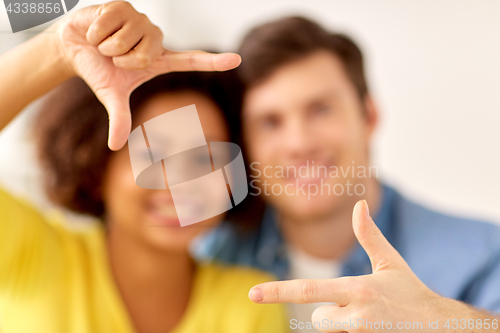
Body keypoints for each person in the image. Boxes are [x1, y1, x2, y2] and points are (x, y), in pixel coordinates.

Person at [193, 16, 500, 332]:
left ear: (368, 117)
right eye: (270, 122)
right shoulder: (209, 255)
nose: (299, 143)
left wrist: (443, 322)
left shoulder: (484, 253)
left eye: (321, 109)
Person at [0, 2, 288, 333]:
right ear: (96, 167)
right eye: (154, 156)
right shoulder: (36, 254)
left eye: (204, 159)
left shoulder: (251, 302)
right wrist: (58, 51)